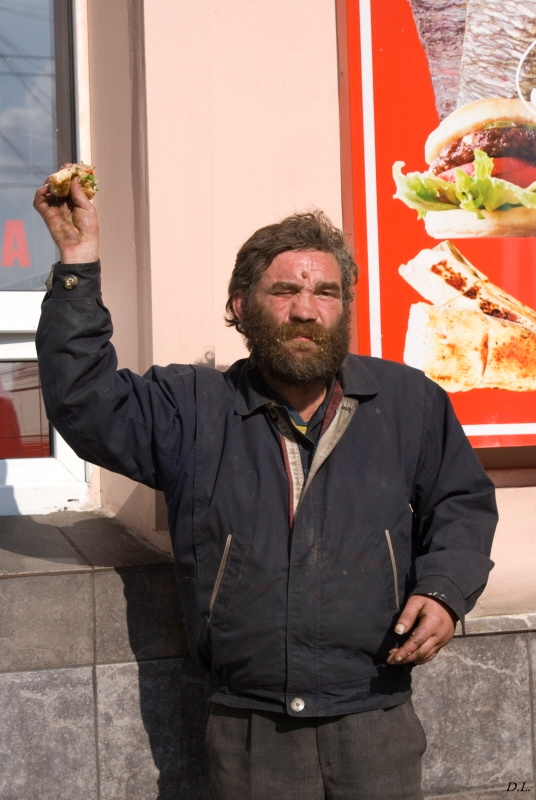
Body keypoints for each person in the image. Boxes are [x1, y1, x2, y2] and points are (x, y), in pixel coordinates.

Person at [34, 175, 497, 800]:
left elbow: (462, 503)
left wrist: (445, 591)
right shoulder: (192, 407)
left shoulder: (408, 401)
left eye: (326, 292)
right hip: (251, 730)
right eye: (284, 290)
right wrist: (77, 265)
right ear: (241, 305)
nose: (306, 309)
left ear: (345, 307)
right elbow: (86, 403)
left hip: (375, 718)